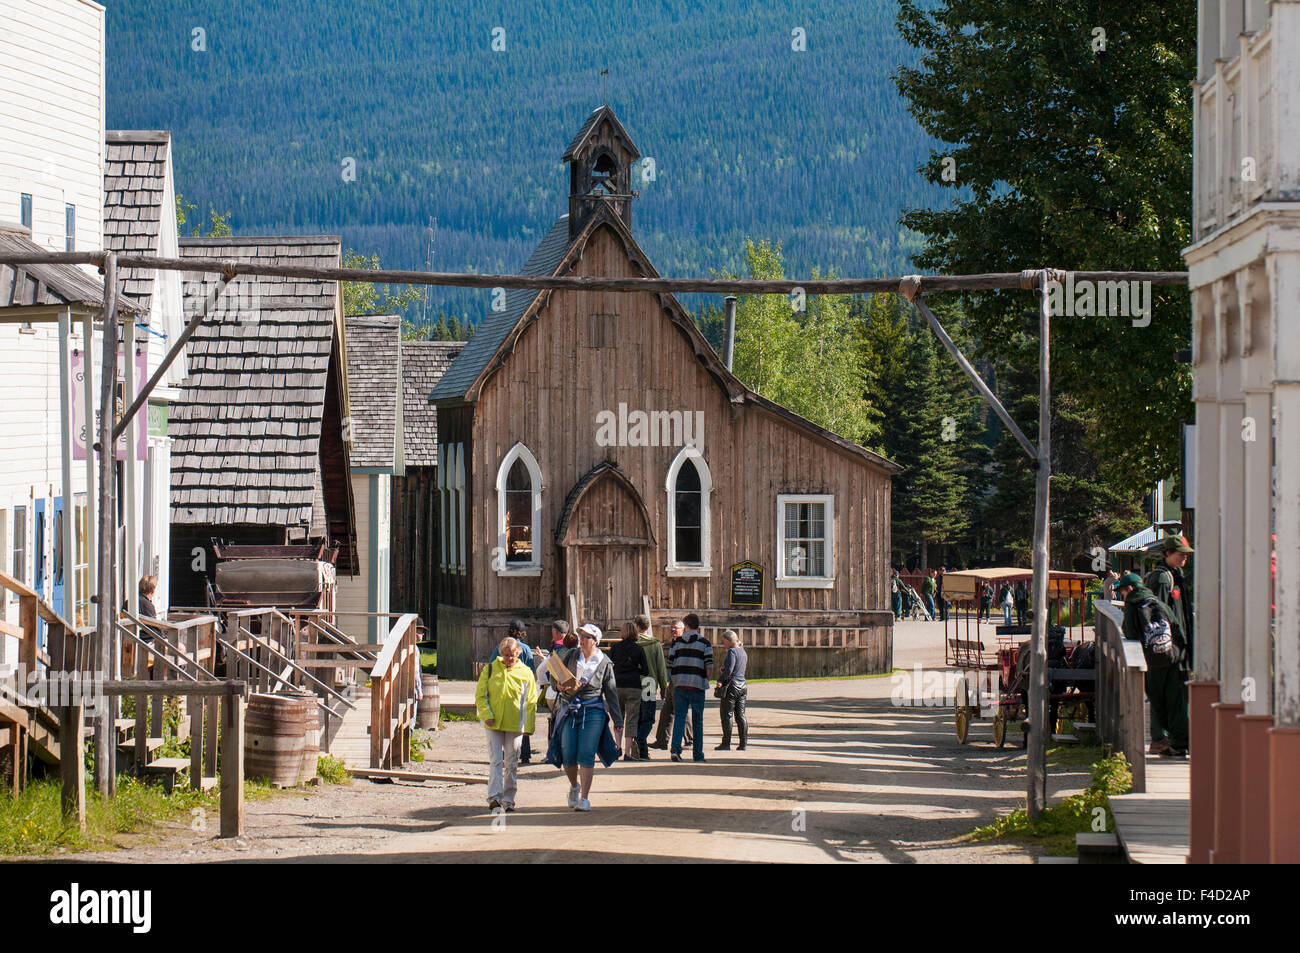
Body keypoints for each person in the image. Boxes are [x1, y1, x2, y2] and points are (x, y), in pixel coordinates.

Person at [545, 622, 621, 812]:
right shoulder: (571, 655)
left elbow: (611, 692)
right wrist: (559, 686)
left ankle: (585, 798)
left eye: (586, 637)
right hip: (569, 707)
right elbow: (554, 675)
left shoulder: (604, 663)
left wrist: (618, 721)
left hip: (593, 709)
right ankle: (574, 786)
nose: (582, 639)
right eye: (581, 636)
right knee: (568, 753)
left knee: (586, 753)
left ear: (595, 641)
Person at [1116, 571, 1189, 757]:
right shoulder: (1160, 603)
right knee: (1176, 702)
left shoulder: (1133, 605)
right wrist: (1179, 654)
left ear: (1130, 589)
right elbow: (1178, 628)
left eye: (1122, 592)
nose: (1123, 596)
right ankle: (1180, 743)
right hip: (1173, 658)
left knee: (1158, 704)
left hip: (1152, 663)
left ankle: (1164, 738)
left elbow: (1130, 632)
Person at [474, 636, 538, 812]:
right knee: (495, 760)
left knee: (511, 762)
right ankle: (494, 797)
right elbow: (480, 695)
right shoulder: (490, 670)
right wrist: (486, 714)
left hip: (515, 724)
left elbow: (531, 701)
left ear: (518, 654)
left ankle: (508, 799)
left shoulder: (526, 673)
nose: (509, 658)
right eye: (506, 655)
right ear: (501, 654)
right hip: (493, 722)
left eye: (512, 655)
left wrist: (529, 727)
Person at [668, 613, 713, 762]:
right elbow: (709, 666)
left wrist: (673, 680)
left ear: (686, 626)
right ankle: (698, 755)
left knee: (680, 717)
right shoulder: (705, 643)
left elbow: (670, 664)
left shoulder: (676, 643)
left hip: (680, 683)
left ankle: (675, 749)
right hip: (697, 684)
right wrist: (707, 678)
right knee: (697, 720)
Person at [1145, 534, 1194, 669]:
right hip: (1169, 644)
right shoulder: (1162, 578)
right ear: (1168, 553)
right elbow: (1157, 613)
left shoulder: (1178, 576)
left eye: (1186, 554)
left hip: (1181, 643)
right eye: (1180, 553)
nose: (1184, 556)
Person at [489, 621, 535, 763]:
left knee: (504, 722)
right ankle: (525, 754)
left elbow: (492, 666)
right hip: (521, 688)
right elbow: (531, 670)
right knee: (522, 719)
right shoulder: (526, 649)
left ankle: (503, 753)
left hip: (504, 687)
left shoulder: (500, 647)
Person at [610, 621, 649, 759]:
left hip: (617, 685)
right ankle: (627, 752)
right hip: (633, 685)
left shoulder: (615, 647)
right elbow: (646, 670)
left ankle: (617, 747)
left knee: (618, 717)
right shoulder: (638, 649)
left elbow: (610, 665)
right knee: (632, 719)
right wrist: (634, 669)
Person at [650, 619, 691, 749]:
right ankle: (662, 740)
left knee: (681, 711)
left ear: (683, 629)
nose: (673, 630)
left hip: (681, 680)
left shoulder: (685, 643)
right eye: (671, 628)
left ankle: (690, 739)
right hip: (673, 680)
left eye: (676, 628)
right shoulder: (675, 642)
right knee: (667, 711)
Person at [634, 614, 667, 759]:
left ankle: (640, 748)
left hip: (634, 683)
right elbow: (661, 668)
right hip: (649, 684)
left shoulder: (632, 643)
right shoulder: (654, 644)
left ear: (636, 626)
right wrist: (664, 688)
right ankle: (641, 741)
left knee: (637, 718)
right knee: (648, 718)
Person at [715, 630, 748, 751]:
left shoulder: (732, 652)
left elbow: (729, 670)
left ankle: (726, 743)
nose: (723, 645)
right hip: (743, 684)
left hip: (732, 685)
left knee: (727, 714)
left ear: (729, 641)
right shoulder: (743, 652)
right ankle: (743, 743)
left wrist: (720, 679)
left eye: (724, 642)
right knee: (741, 715)